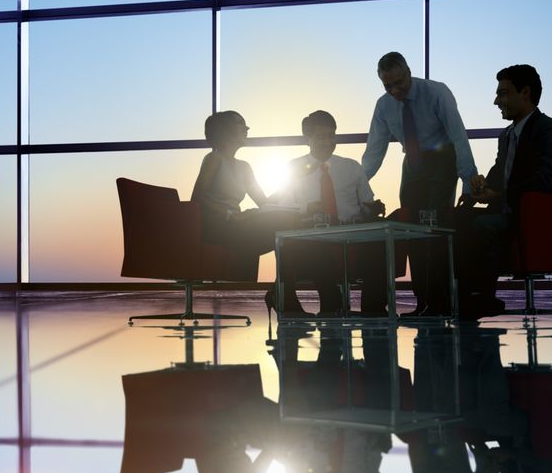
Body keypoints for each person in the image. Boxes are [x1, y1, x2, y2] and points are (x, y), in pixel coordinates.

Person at [362, 52, 478, 315]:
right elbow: (374, 151)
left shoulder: (436, 92)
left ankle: (441, 301)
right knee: (411, 229)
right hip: (412, 164)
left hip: (442, 159)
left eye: (399, 82)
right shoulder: (383, 106)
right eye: (387, 85)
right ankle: (423, 301)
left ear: (409, 72)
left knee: (435, 228)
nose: (394, 90)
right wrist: (356, 185)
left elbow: (459, 137)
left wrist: (468, 182)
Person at [458, 64, 552, 320]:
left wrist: (498, 196)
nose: (496, 101)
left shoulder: (549, 130)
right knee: (455, 221)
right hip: (507, 211)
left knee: (486, 226)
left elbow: (546, 181)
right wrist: (482, 188)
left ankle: (482, 298)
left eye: (503, 93)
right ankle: (457, 297)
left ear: (525, 92)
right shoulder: (506, 135)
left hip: (534, 216)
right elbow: (499, 175)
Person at [191, 110, 305, 314]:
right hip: (217, 226)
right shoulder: (213, 158)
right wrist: (230, 214)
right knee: (286, 227)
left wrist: (291, 182)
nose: (247, 128)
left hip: (236, 225)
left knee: (289, 226)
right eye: (240, 123)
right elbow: (198, 197)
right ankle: (283, 295)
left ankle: (283, 293)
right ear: (225, 130)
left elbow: (264, 203)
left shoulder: (245, 167)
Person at [280, 110, 386, 315]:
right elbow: (285, 207)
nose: (328, 141)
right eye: (321, 137)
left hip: (351, 233)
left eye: (331, 135)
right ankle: (332, 304)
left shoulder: (352, 167)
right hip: (312, 233)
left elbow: (366, 207)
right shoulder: (293, 168)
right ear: (307, 139)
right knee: (317, 244)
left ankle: (374, 310)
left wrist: (372, 209)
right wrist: (307, 209)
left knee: (378, 243)